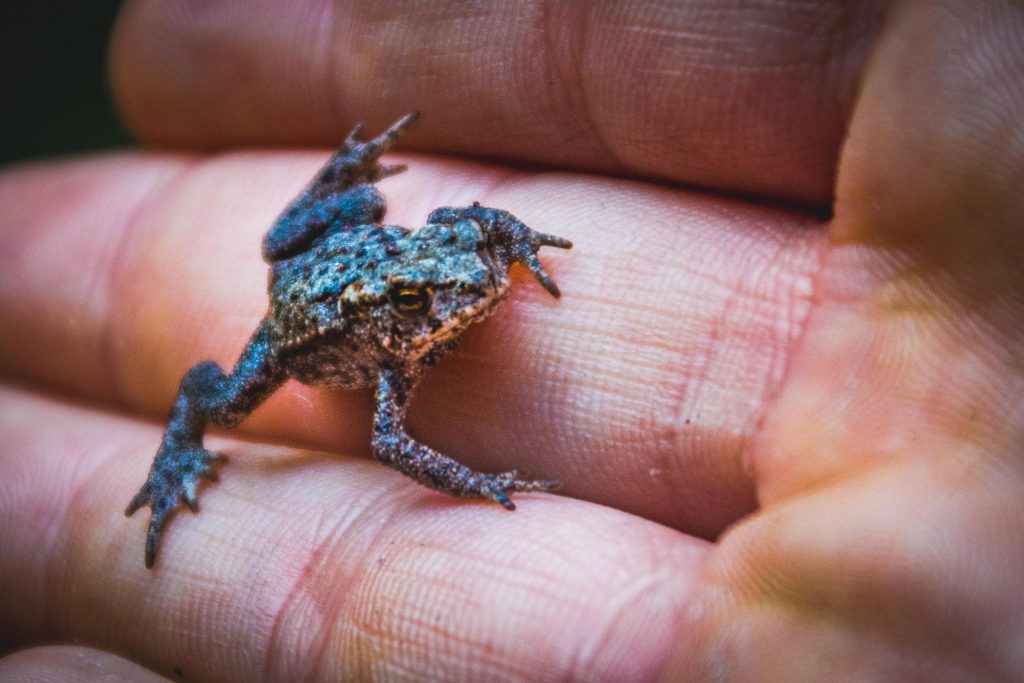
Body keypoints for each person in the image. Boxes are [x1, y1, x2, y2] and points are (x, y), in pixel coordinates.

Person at [1, 0, 1022, 679]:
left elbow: (472, 224)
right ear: (413, 319)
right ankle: (178, 446)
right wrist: (476, 479)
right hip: (311, 325)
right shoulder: (389, 357)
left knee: (352, 232)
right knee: (224, 387)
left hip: (369, 259)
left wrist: (516, 242)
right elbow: (389, 443)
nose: (473, 289)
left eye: (473, 280)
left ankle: (343, 182)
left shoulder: (453, 255)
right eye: (451, 295)